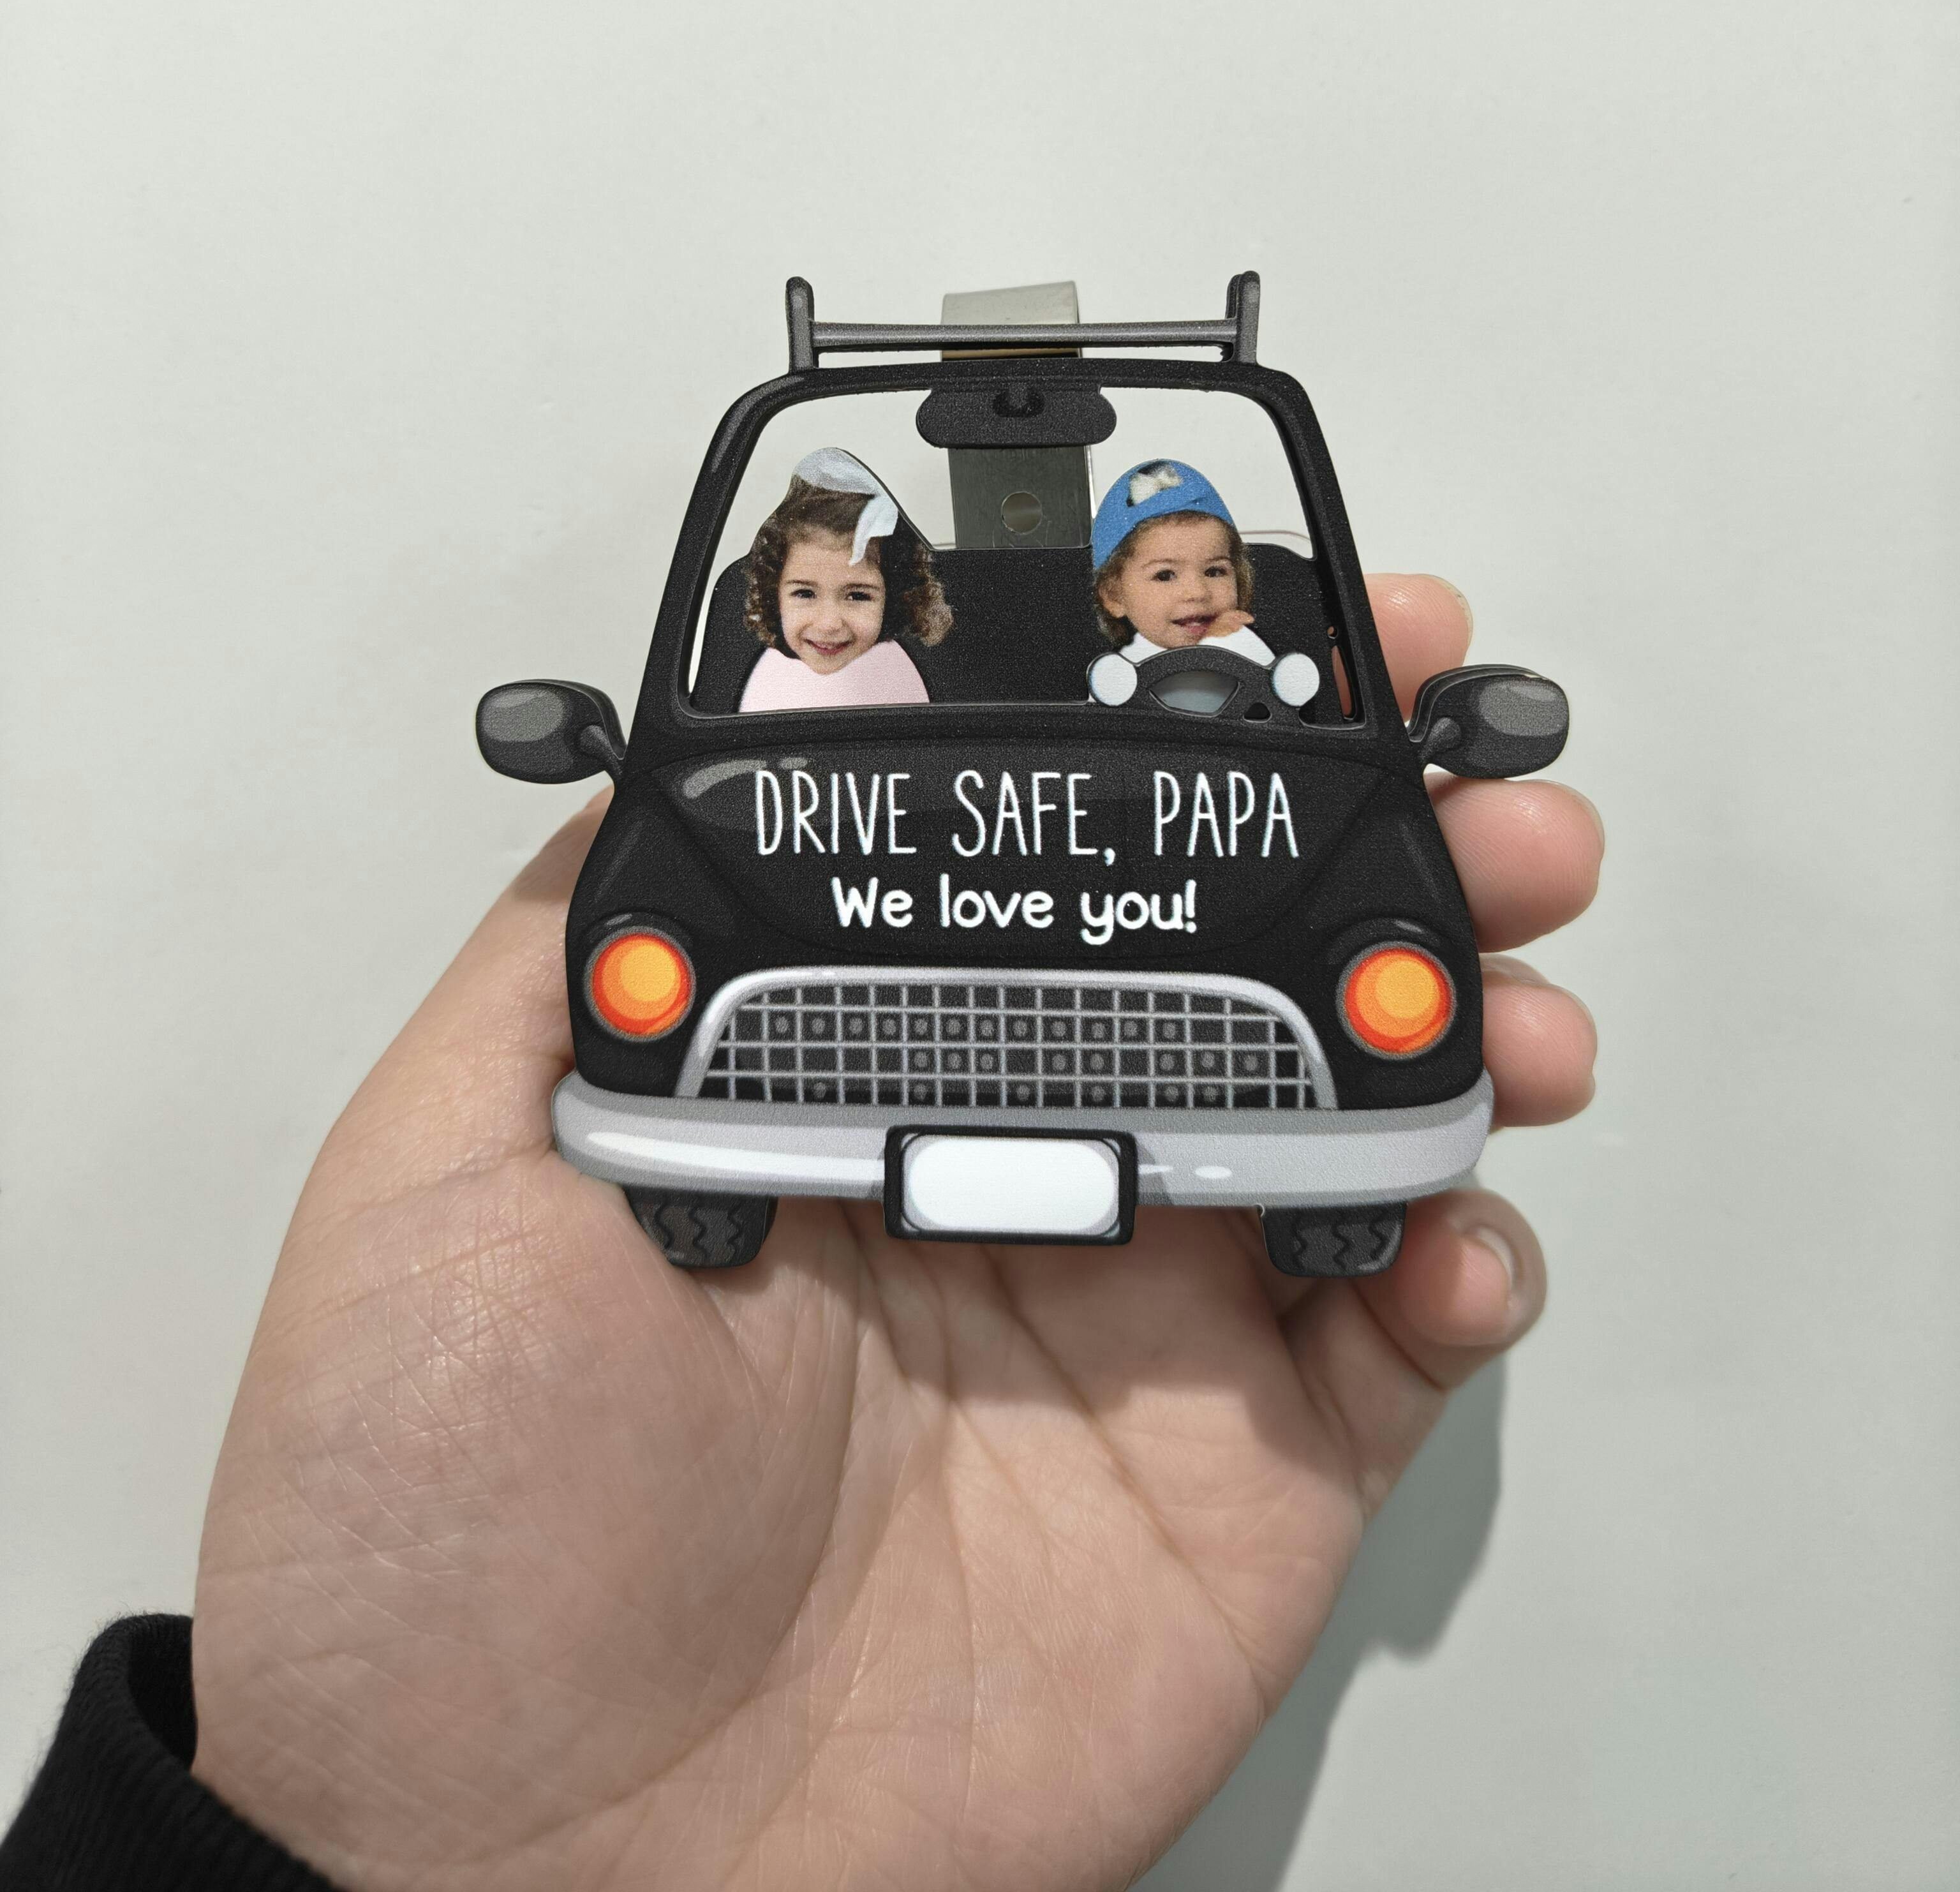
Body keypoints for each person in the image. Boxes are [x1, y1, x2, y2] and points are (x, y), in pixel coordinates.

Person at [2, 573, 1603, 1892]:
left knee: (1405, 985)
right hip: (773, 1099)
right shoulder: (731, 778)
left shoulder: (1294, 737)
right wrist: (364, 1833)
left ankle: (1324, 1178)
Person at [736, 446, 951, 710]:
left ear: (894, 596)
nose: (829, 625)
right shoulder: (768, 676)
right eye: (805, 593)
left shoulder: (896, 672)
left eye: (858, 596)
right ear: (774, 594)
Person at [1091, 458, 1279, 662]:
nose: (1197, 593)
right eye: (1165, 575)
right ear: (1115, 596)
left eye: (1214, 572)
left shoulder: (1249, 649)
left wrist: (1238, 644)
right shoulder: (1121, 669)